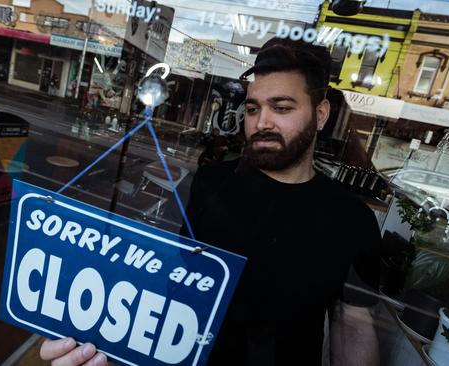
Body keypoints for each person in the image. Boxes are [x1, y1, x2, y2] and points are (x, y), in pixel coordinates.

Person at [40, 38, 382, 366]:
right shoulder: (206, 185)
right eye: (252, 108)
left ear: (320, 114)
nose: (262, 122)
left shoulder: (351, 218)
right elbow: (151, 279)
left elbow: (352, 323)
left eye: (281, 108)